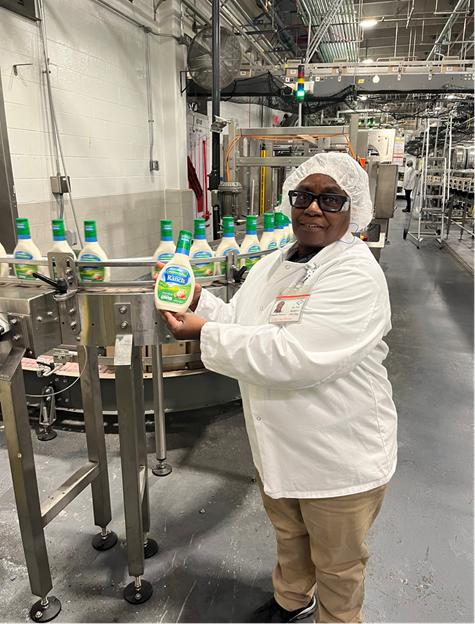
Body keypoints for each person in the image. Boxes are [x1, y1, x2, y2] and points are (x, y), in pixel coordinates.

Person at [160, 152, 398, 623]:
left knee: (338, 564)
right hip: (281, 446)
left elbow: (296, 356)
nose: (314, 208)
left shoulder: (355, 274)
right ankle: (293, 600)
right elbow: (244, 323)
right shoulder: (274, 262)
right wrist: (199, 302)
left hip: (338, 455)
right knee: (290, 538)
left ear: (354, 211)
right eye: (304, 196)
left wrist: (202, 333)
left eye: (331, 199)